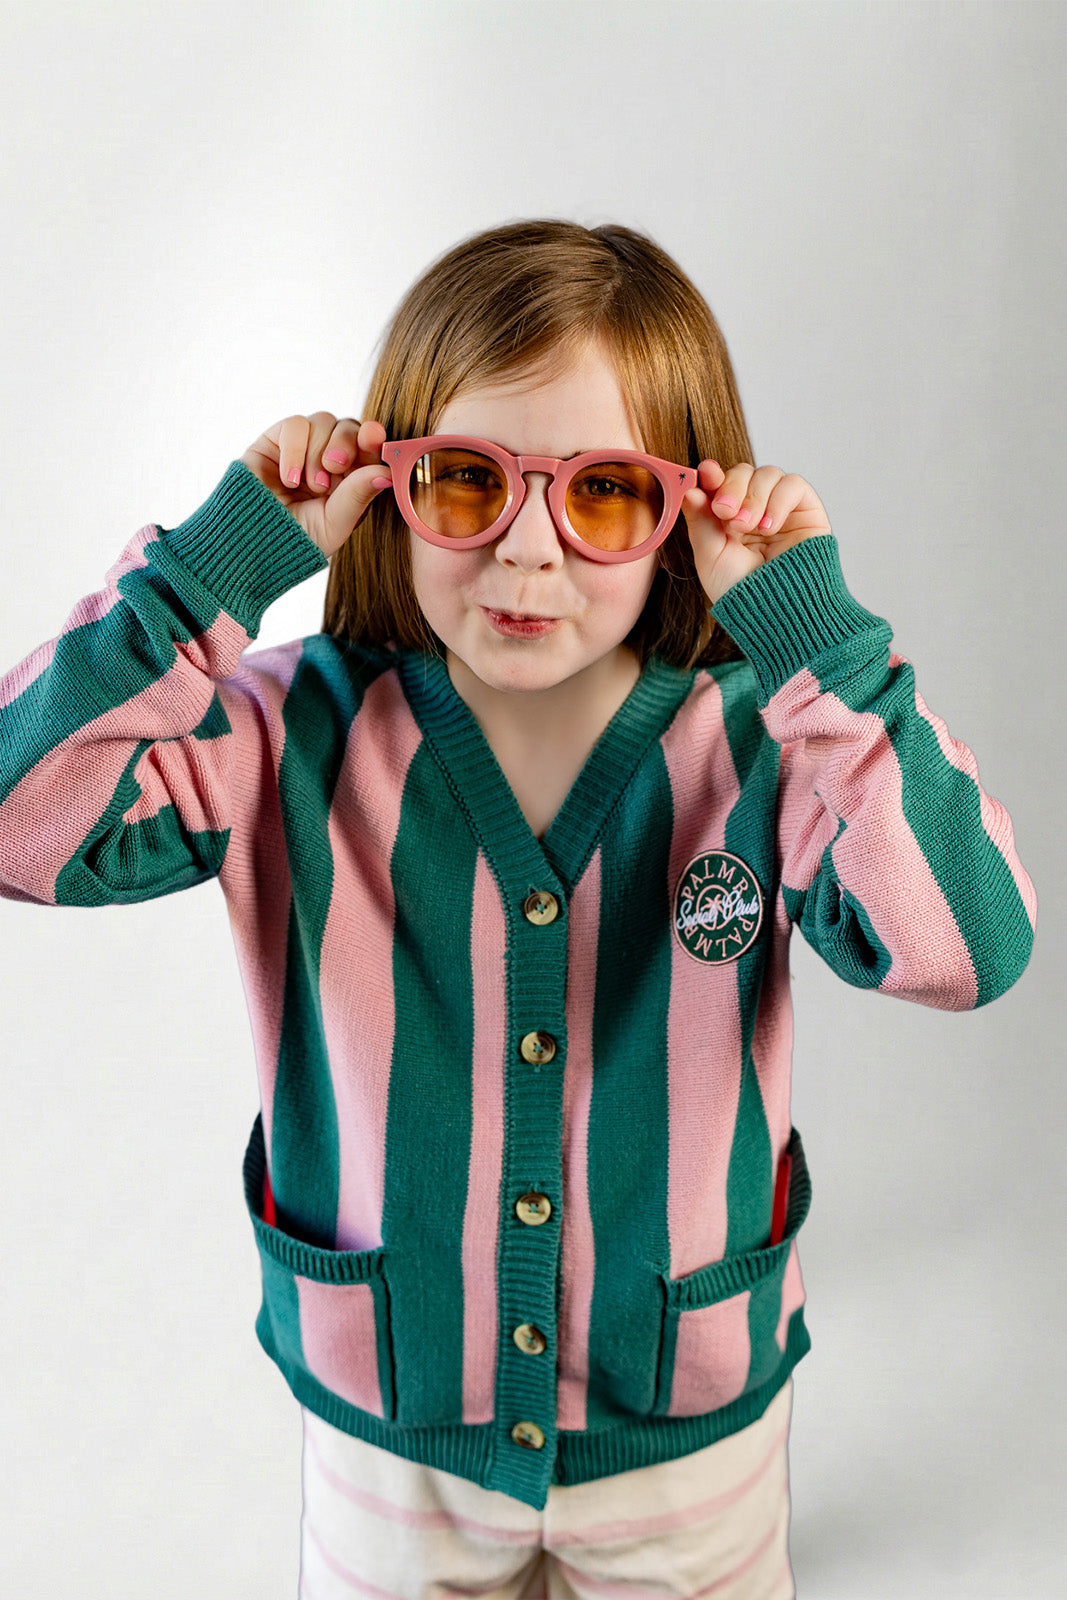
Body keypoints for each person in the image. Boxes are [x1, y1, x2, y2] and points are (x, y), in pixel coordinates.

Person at [0, 218, 1036, 1599]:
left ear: (688, 516)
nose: (528, 552)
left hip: (682, 1431)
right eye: (467, 481)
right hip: (392, 1429)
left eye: (605, 492)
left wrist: (818, 640)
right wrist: (212, 569)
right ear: (390, 488)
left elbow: (968, 947)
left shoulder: (778, 744)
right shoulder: (277, 734)